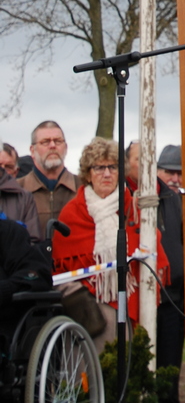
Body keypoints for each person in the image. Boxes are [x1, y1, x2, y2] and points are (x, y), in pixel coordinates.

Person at [52, 137, 169, 352]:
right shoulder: (72, 213)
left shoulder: (135, 208)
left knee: (132, 370)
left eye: (113, 167)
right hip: (90, 312)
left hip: (133, 302)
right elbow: (62, 267)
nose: (106, 174)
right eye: (99, 167)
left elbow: (154, 253)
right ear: (88, 173)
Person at [126, 140, 185, 403]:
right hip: (133, 300)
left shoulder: (176, 201)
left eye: (179, 172)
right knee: (132, 377)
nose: (173, 178)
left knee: (168, 379)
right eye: (168, 171)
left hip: (171, 301)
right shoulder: (125, 198)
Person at [20, 120, 79, 241]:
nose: (52, 146)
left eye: (58, 141)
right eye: (45, 142)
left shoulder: (83, 187)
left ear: (66, 147)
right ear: (32, 150)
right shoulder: (18, 190)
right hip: (31, 259)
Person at [0, 154, 40, 241]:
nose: (2, 169)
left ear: (16, 171)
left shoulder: (25, 198)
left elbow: (33, 240)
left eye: (8, 167)